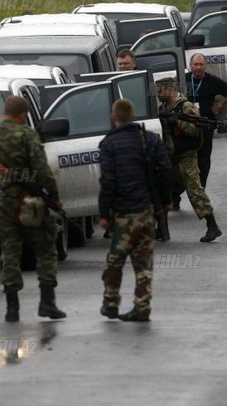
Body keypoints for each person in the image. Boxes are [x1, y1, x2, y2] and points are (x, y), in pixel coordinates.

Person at [0, 96, 66, 322]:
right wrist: (55, 198)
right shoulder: (27, 134)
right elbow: (42, 170)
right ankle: (47, 303)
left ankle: (12, 308)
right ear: (22, 115)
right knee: (46, 249)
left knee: (10, 252)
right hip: (30, 202)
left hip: (5, 201)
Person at [98, 99, 172, 322]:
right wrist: (166, 200)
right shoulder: (149, 140)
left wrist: (103, 213)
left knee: (115, 260)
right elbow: (166, 169)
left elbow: (107, 182)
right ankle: (142, 307)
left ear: (114, 117)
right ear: (133, 116)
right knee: (143, 262)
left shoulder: (108, 144)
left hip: (122, 214)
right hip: (146, 211)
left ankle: (111, 302)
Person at [157, 79, 223, 242]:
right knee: (161, 191)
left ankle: (212, 226)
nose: (157, 94)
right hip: (170, 156)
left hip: (186, 155)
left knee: (194, 190)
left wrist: (177, 122)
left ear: (170, 90)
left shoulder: (185, 106)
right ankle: (161, 229)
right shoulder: (162, 108)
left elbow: (196, 129)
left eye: (160, 91)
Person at [185, 52, 227, 189]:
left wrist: (220, 104)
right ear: (190, 66)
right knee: (184, 160)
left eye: (201, 64)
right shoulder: (183, 79)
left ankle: (201, 187)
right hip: (186, 126)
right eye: (195, 64)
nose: (198, 67)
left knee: (203, 160)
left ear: (205, 66)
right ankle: (176, 195)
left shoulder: (211, 80)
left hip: (205, 125)